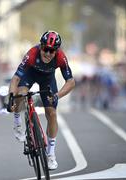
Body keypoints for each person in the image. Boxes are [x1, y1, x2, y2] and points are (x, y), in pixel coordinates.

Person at [7, 31, 75, 170]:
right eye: (45, 49)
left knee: (52, 114)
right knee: (21, 94)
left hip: (47, 80)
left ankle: (50, 154)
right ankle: (17, 123)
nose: (48, 54)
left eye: (52, 51)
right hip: (29, 75)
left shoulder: (61, 57)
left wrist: (57, 95)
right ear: (41, 46)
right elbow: (15, 79)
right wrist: (11, 98)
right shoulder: (32, 53)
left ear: (57, 51)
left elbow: (71, 82)